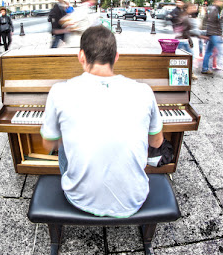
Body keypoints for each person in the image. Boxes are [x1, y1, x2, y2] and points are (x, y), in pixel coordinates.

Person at [40, 25, 163, 217]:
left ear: (81, 56)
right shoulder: (145, 91)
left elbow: (48, 144)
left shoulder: (58, 92)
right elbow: (157, 142)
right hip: (134, 199)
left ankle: (78, 185)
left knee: (63, 145)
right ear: (116, 57)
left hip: (78, 199)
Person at [201, 0, 223, 75]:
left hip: (212, 33)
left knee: (208, 51)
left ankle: (205, 68)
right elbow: (214, 23)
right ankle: (211, 66)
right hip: (214, 33)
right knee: (219, 51)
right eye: (220, 1)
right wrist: (219, 34)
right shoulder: (214, 10)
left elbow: (207, 21)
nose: (221, 3)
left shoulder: (213, 9)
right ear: (216, 1)